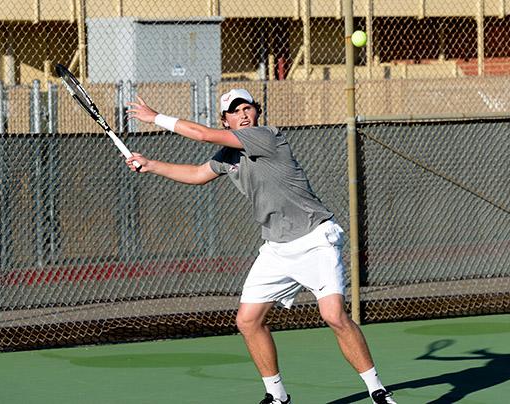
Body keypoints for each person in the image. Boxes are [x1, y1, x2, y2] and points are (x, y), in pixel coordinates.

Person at [126, 88, 396, 404]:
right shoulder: (228, 157)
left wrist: (154, 117)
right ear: (225, 120)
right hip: (276, 248)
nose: (243, 114)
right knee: (247, 320)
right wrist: (151, 164)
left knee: (334, 315)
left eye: (248, 108)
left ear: (257, 112)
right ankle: (277, 396)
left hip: (315, 238)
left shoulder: (266, 137)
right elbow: (198, 174)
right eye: (235, 111)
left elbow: (200, 134)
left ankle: (377, 390)